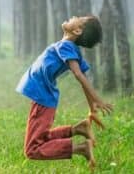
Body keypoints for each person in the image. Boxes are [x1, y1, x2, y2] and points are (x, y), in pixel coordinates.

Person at [15, 15, 113, 168]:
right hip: (43, 97)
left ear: (77, 30)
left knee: (32, 150)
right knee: (42, 137)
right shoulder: (69, 48)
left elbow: (79, 75)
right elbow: (83, 77)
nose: (73, 16)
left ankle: (80, 148)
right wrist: (91, 108)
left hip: (42, 98)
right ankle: (78, 129)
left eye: (78, 18)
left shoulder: (66, 46)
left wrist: (97, 99)